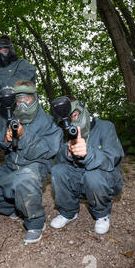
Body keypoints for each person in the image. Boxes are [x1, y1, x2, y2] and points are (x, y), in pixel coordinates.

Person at [0, 80, 62, 243]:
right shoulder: (11, 117)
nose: (21, 103)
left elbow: (46, 151)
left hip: (35, 167)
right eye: (18, 99)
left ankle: (36, 223)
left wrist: (23, 135)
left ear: (35, 98)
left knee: (24, 179)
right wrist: (5, 138)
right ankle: (16, 208)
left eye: (26, 98)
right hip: (11, 166)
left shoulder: (49, 122)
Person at [50, 96, 124, 234]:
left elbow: (112, 158)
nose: (73, 120)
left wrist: (88, 153)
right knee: (57, 171)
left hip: (102, 180)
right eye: (68, 118)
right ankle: (68, 212)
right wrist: (68, 152)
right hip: (80, 181)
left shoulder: (106, 126)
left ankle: (101, 214)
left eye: (75, 115)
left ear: (82, 108)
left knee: (93, 174)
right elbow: (59, 162)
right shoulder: (68, 131)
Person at [0, 35, 36, 179]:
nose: (1, 54)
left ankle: (19, 184)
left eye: (4, 50)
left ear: (10, 49)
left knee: (15, 151)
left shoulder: (22, 64)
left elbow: (22, 81)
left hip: (15, 114)